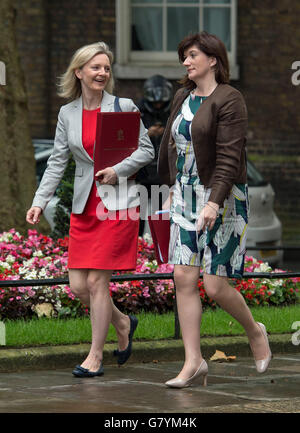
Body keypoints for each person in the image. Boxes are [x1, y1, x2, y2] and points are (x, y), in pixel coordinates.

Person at [26, 42, 154, 378]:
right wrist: (39, 201)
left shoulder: (123, 106)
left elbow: (146, 150)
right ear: (79, 72)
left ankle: (95, 356)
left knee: (98, 281)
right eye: (95, 67)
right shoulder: (67, 113)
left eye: (106, 68)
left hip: (118, 205)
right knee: (79, 286)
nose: (102, 73)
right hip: (85, 206)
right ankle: (123, 322)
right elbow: (56, 162)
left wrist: (118, 170)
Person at [158, 31, 272, 388]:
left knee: (216, 284)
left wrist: (212, 200)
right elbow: (174, 146)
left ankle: (255, 331)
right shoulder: (182, 96)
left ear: (212, 59)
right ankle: (194, 362)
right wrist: (171, 187)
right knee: (183, 278)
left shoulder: (230, 99)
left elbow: (229, 156)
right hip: (185, 197)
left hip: (223, 198)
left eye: (192, 55)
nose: (186, 62)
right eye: (184, 57)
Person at [136, 75, 173, 235]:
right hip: (141, 173)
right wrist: (147, 134)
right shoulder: (137, 111)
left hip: (162, 173)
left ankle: (160, 249)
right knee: (137, 216)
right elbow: (126, 139)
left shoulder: (172, 112)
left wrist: (167, 134)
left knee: (161, 216)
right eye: (155, 103)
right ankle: (137, 248)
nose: (158, 105)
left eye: (161, 103)